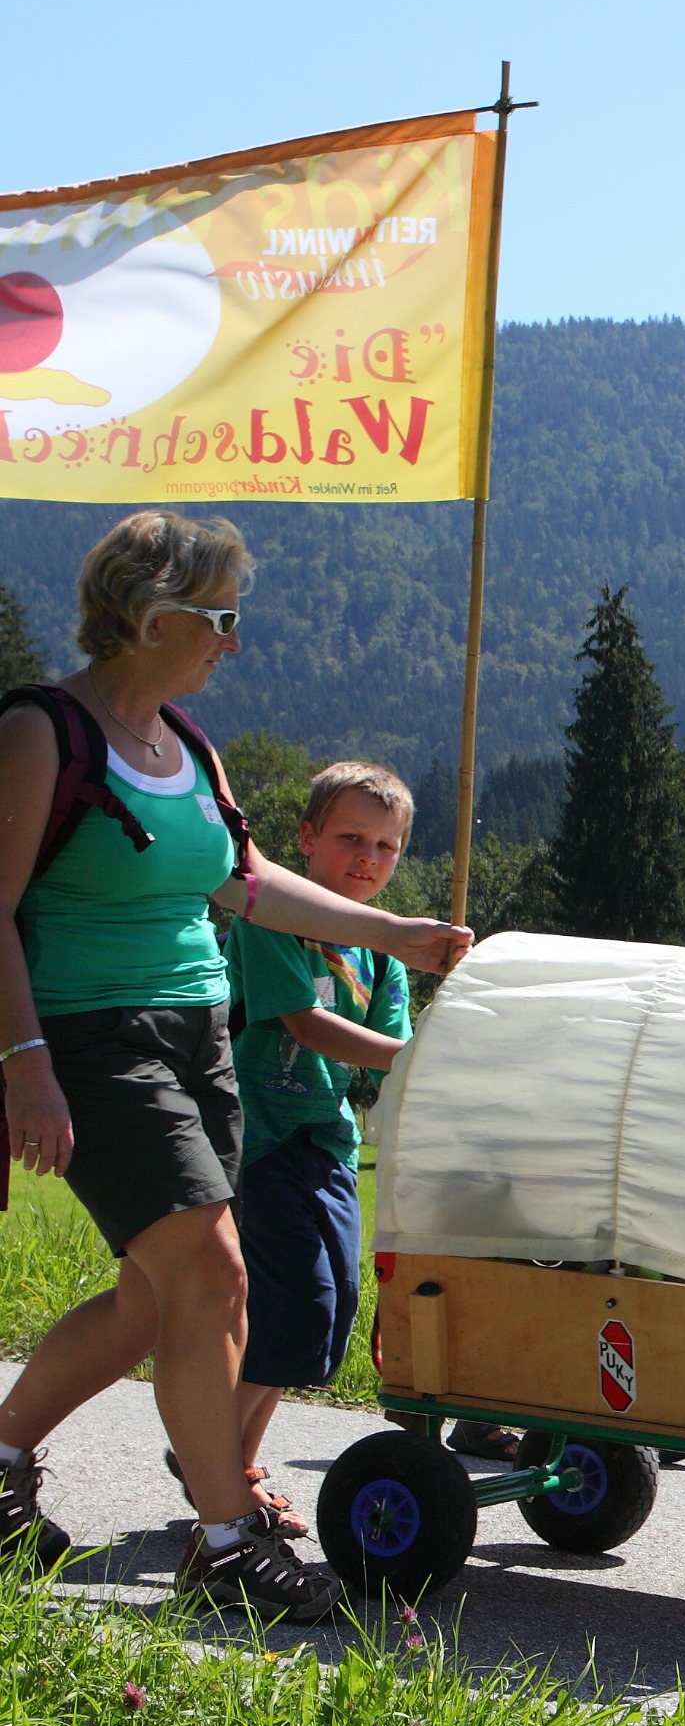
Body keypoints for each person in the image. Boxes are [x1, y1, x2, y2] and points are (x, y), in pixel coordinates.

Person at [0, 512, 473, 1620]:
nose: (233, 640)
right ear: (153, 615)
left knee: (148, 1301)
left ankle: (3, 1460)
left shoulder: (189, 744)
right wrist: (26, 1063)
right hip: (92, 1037)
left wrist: (393, 933)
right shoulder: (41, 732)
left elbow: (248, 882)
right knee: (216, 1273)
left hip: (196, 1037)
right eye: (221, 617)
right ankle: (226, 1542)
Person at [213, 761, 417, 1521]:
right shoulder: (270, 922)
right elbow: (304, 1023)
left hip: (328, 1145)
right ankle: (226, 1473)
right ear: (306, 838)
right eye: (350, 838)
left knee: (329, 1316)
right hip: (257, 1140)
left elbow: (388, 1050)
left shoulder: (384, 954)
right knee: (296, 1303)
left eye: (386, 846)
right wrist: (422, 1058)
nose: (367, 857)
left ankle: (229, 1457)